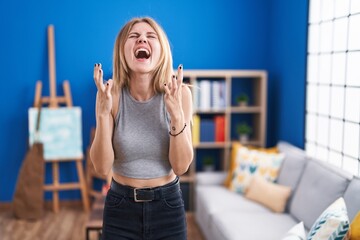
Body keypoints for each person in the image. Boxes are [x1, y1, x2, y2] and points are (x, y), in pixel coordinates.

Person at [90, 16, 193, 240]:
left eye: (150, 37)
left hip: (168, 208)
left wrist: (176, 115)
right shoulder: (111, 95)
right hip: (120, 208)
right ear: (122, 50)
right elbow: (101, 166)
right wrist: (102, 114)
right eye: (134, 37)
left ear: (161, 50)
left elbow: (181, 166)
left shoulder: (181, 94)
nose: (142, 41)